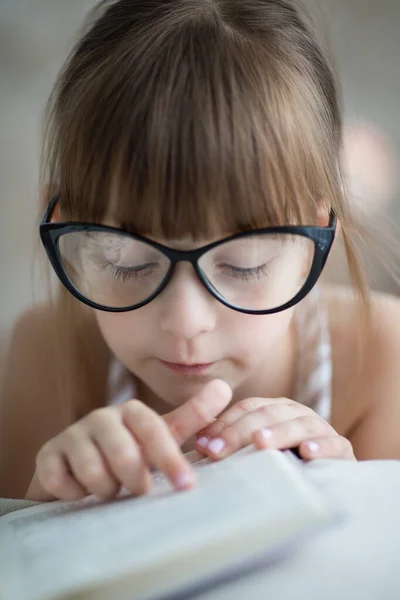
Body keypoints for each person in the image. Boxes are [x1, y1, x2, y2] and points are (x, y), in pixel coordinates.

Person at [1, 0, 400, 502]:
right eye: (126, 261)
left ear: (319, 235)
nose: (186, 324)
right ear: (65, 230)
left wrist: (358, 495)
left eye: (243, 263)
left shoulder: (383, 360)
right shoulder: (44, 359)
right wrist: (38, 511)